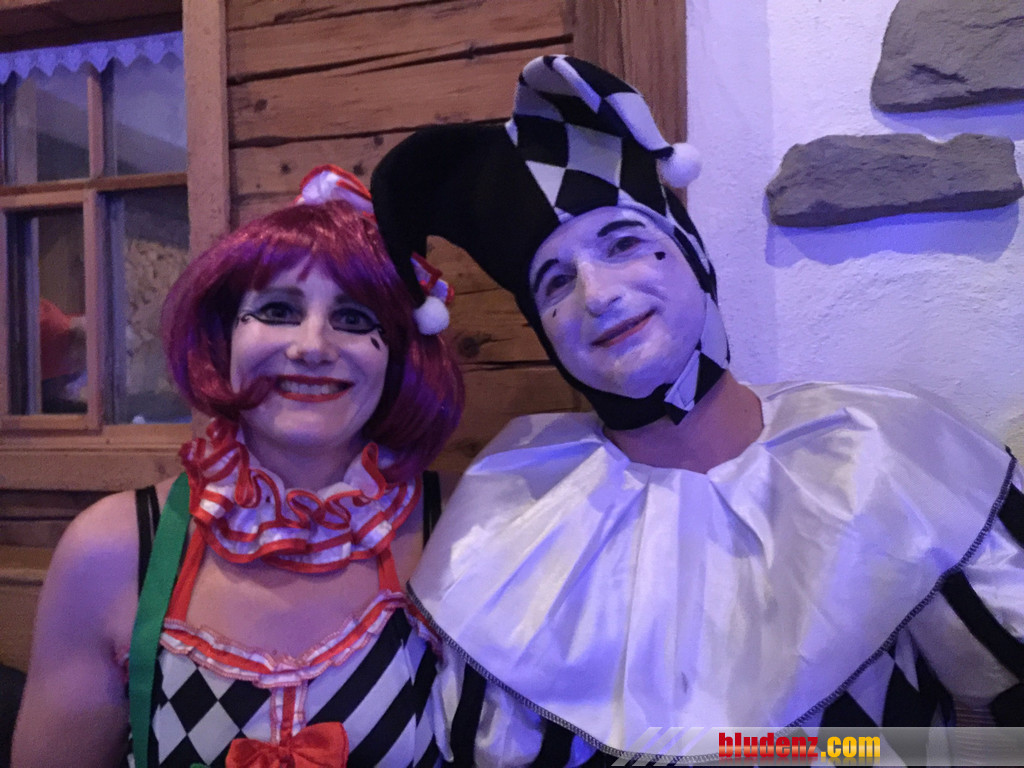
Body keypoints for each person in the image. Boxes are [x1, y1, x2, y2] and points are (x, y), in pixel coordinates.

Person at [369, 55, 1024, 766]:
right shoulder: (510, 520)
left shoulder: (885, 453)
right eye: (555, 282)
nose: (597, 294)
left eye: (623, 243)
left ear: (691, 252)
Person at [13, 167, 464, 768]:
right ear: (224, 337)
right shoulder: (111, 549)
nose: (312, 346)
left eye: (354, 319)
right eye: (278, 310)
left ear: (401, 354)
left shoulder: (463, 532)